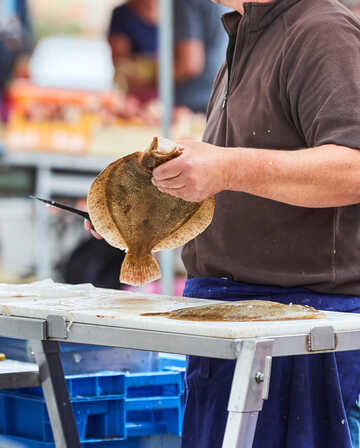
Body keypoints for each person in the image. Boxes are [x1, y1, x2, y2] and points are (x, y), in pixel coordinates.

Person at [149, 0, 360, 448]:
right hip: (237, 318)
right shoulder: (248, 30)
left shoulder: (321, 28)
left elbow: (354, 168)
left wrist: (226, 168)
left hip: (303, 327)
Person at [174, 0, 228, 113]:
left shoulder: (186, 2)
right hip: (225, 97)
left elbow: (190, 64)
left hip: (194, 105)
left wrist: (153, 76)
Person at [107, 0, 158, 101]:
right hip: (134, 94)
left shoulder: (176, 13)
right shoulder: (122, 14)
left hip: (173, 96)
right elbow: (121, 61)